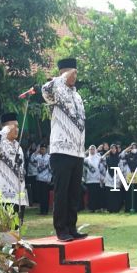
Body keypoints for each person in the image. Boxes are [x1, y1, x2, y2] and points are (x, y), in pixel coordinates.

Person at [41, 57, 87, 242]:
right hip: (61, 150)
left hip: (77, 151)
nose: (75, 76)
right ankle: (61, 229)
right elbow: (45, 90)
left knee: (74, 192)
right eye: (73, 72)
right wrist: (61, 77)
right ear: (64, 73)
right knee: (62, 191)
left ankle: (71, 227)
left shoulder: (77, 95)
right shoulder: (55, 89)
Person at [0, 112, 28, 224]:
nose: (17, 129)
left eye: (18, 126)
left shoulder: (18, 146)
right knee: (5, 233)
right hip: (5, 195)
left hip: (19, 195)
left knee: (17, 230)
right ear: (6, 127)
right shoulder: (0, 143)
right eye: (13, 126)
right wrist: (4, 131)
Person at [83, 145, 103, 212]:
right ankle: (91, 208)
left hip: (97, 180)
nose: (92, 150)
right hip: (89, 180)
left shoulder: (99, 158)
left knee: (97, 194)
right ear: (89, 150)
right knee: (90, 195)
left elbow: (101, 168)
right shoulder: (86, 160)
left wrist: (101, 178)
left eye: (93, 149)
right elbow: (84, 170)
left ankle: (97, 208)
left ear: (95, 150)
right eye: (90, 149)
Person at [34, 144, 52, 216]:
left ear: (46, 150)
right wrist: (36, 151)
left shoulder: (49, 157)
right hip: (39, 178)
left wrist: (49, 178)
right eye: (41, 149)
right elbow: (32, 159)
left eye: (43, 149)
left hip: (45, 179)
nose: (42, 150)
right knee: (40, 196)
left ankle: (45, 211)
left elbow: (51, 169)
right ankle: (41, 210)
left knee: (45, 196)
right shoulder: (38, 156)